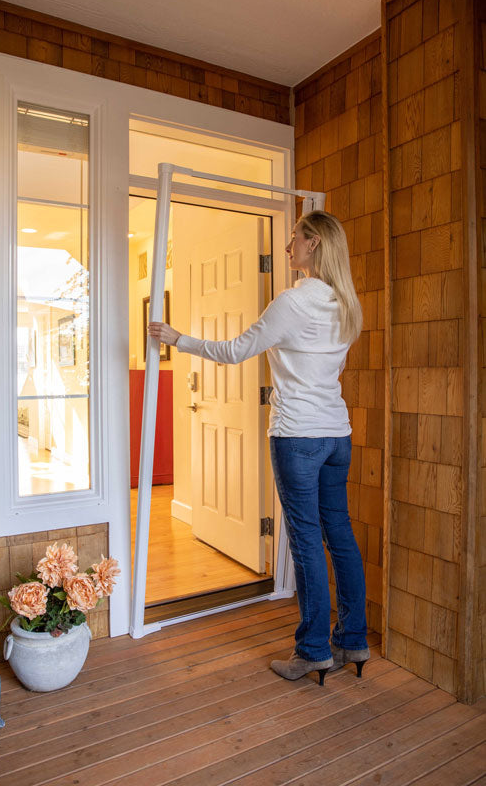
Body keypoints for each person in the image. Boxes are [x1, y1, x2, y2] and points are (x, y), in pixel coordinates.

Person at [148, 210, 369, 686]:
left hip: (298, 437)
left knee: (307, 541)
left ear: (312, 244)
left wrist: (176, 339)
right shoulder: (347, 304)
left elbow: (234, 350)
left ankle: (312, 650)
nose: (288, 247)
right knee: (341, 535)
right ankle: (353, 639)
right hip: (337, 434)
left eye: (293, 239)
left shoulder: (292, 302)